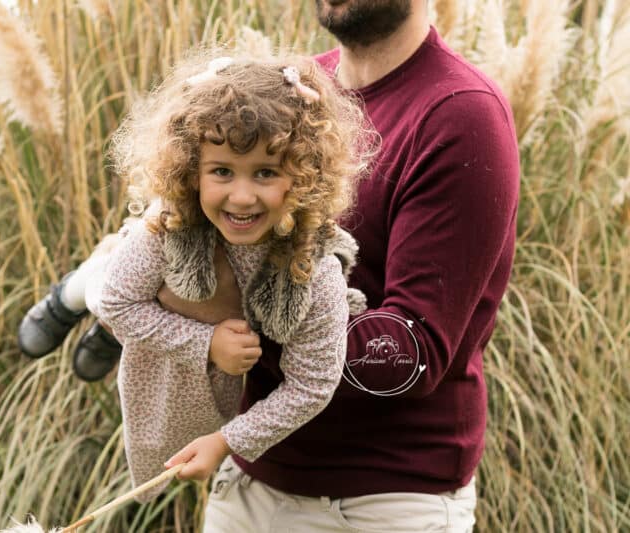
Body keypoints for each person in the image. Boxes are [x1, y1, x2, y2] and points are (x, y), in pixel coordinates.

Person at [159, 2, 520, 532]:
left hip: (381, 503)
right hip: (249, 484)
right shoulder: (295, 95)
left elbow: (409, 353)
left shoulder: (460, 113)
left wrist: (226, 310)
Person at [19, 50, 374, 499]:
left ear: (302, 177)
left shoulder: (314, 267)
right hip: (131, 282)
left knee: (166, 300)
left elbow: (314, 383)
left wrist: (227, 440)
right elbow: (117, 301)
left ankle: (114, 333)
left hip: (184, 304)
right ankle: (72, 291)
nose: (241, 197)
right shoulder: (169, 223)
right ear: (192, 171)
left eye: (265, 173)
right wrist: (205, 344)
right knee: (109, 281)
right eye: (221, 171)